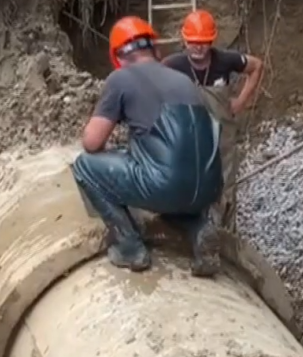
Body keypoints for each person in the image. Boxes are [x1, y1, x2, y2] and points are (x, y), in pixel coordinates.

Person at [70, 16, 224, 277]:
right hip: (208, 189)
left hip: (165, 184)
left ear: (117, 56)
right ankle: (198, 228)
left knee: (85, 167)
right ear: (156, 49)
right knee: (171, 183)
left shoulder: (120, 79)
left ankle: (129, 247)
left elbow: (92, 143)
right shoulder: (184, 80)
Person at [162, 9, 264, 233]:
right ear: (184, 39)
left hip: (222, 140)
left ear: (213, 39)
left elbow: (256, 66)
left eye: (204, 42)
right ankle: (187, 233)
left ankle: (225, 235)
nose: (198, 47)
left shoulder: (225, 60)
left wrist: (241, 101)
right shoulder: (172, 65)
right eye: (193, 42)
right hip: (189, 139)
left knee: (224, 188)